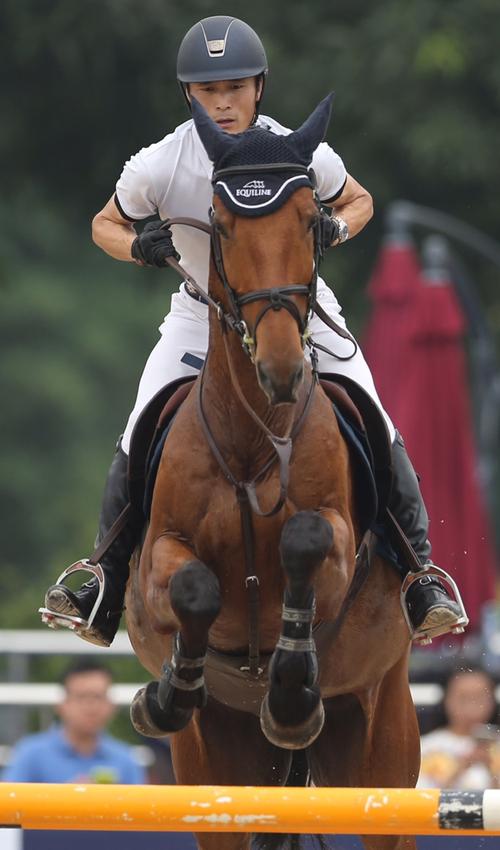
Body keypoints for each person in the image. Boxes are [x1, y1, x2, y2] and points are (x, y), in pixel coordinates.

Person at [41, 14, 464, 649]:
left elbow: (360, 199)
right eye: (209, 91)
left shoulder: (296, 149)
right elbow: (105, 223)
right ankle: (100, 577)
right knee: (138, 428)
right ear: (190, 95)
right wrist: (139, 247)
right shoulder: (160, 164)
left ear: (259, 87)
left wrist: (336, 229)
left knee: (376, 416)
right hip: (199, 312)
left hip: (299, 310)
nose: (223, 102)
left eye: (235, 88)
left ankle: (420, 575)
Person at [2, 660, 146, 783]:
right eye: (82, 697)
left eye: (98, 697)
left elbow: (141, 811)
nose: (91, 707)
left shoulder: (125, 760)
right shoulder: (31, 755)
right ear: (62, 705)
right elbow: (7, 808)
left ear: (111, 706)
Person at [418, 666, 500, 789]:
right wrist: (460, 769)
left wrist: (491, 772)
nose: (472, 707)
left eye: (480, 697)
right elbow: (420, 800)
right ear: (446, 700)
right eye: (463, 698)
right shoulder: (425, 747)